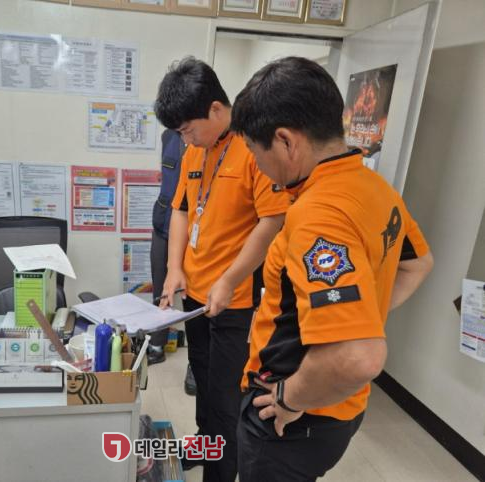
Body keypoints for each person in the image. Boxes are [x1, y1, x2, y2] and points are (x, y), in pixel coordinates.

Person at [230, 56, 434, 482]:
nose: (258, 168)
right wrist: (363, 319)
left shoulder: (317, 215)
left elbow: (358, 357)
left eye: (253, 151)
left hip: (293, 417)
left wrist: (290, 397)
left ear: (285, 141)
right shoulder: (374, 188)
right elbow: (417, 264)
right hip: (340, 410)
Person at [154, 57, 291, 481]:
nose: (184, 138)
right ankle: (205, 443)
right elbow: (181, 209)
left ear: (216, 109)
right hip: (196, 293)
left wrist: (230, 279)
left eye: (186, 129)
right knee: (202, 379)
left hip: (234, 299)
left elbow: (273, 219)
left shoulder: (254, 149)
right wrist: (174, 269)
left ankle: (221, 471)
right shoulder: (197, 149)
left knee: (225, 396)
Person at [148, 129, 186, 366]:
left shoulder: (210, 137)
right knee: (161, 288)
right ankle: (156, 345)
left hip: (197, 228)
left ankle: (196, 360)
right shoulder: (168, 136)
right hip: (163, 224)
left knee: (199, 295)